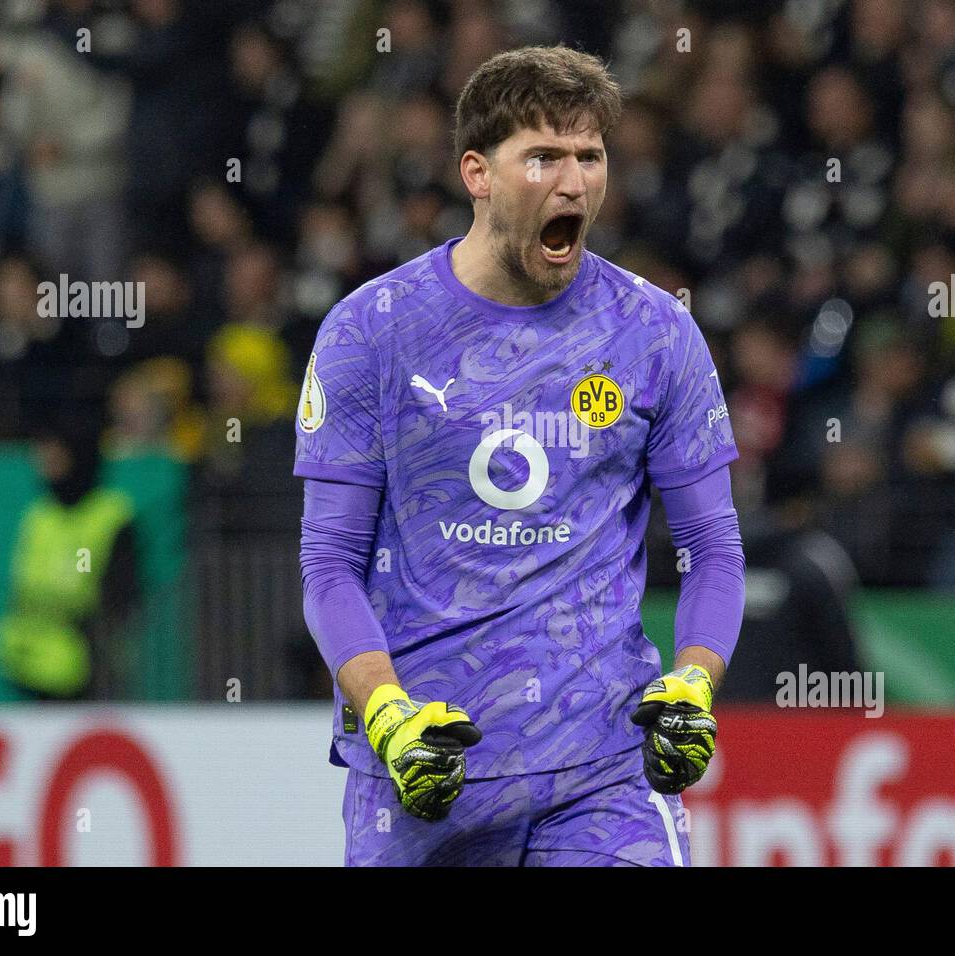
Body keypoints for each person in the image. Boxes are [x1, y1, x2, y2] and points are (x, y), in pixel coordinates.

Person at [296, 46, 744, 866]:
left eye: (590, 157)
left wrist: (694, 680)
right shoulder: (371, 333)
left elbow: (715, 547)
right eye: (543, 157)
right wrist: (387, 712)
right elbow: (328, 564)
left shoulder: (655, 335)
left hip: (604, 775)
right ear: (477, 172)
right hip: (425, 773)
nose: (573, 184)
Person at [0, 413, 140, 699]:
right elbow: (20, 586)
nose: (44, 459)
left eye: (53, 450)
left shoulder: (111, 513)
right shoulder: (38, 514)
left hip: (87, 668)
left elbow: (120, 596)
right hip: (23, 661)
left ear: (75, 453)